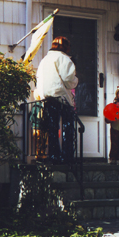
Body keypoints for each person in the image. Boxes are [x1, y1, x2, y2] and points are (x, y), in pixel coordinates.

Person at [36, 36, 78, 164]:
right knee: (68, 127)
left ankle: (54, 156)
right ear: (66, 47)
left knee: (52, 128)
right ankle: (67, 157)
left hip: (47, 97)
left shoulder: (45, 60)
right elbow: (69, 80)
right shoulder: (63, 58)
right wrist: (76, 81)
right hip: (60, 97)